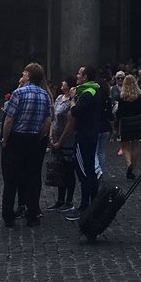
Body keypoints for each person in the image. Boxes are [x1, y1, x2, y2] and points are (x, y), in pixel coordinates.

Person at [0, 62, 52, 228]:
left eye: (23, 73)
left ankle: (8, 216)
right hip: (34, 140)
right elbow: (47, 120)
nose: (21, 75)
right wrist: (40, 135)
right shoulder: (44, 95)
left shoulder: (19, 93)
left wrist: (5, 139)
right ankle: (32, 215)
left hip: (17, 138)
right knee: (33, 178)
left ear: (29, 76)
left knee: (11, 179)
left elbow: (9, 119)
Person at [55, 66, 103, 221]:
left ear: (85, 76)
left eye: (79, 73)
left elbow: (75, 111)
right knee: (90, 171)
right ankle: (93, 204)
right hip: (91, 135)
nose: (77, 76)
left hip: (83, 137)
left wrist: (73, 99)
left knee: (84, 172)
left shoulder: (87, 93)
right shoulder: (94, 90)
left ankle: (85, 207)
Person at [50, 77, 77, 212]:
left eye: (64, 82)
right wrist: (51, 135)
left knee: (68, 171)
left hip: (67, 140)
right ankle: (60, 200)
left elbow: (70, 124)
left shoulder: (72, 101)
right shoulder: (59, 98)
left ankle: (69, 200)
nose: (62, 83)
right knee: (59, 170)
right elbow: (53, 118)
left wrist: (60, 141)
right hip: (56, 138)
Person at [115, 72, 141, 180]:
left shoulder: (122, 96)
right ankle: (132, 168)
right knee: (135, 145)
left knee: (125, 146)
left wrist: (116, 125)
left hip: (126, 122)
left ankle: (129, 164)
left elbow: (119, 112)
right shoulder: (140, 95)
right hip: (137, 121)